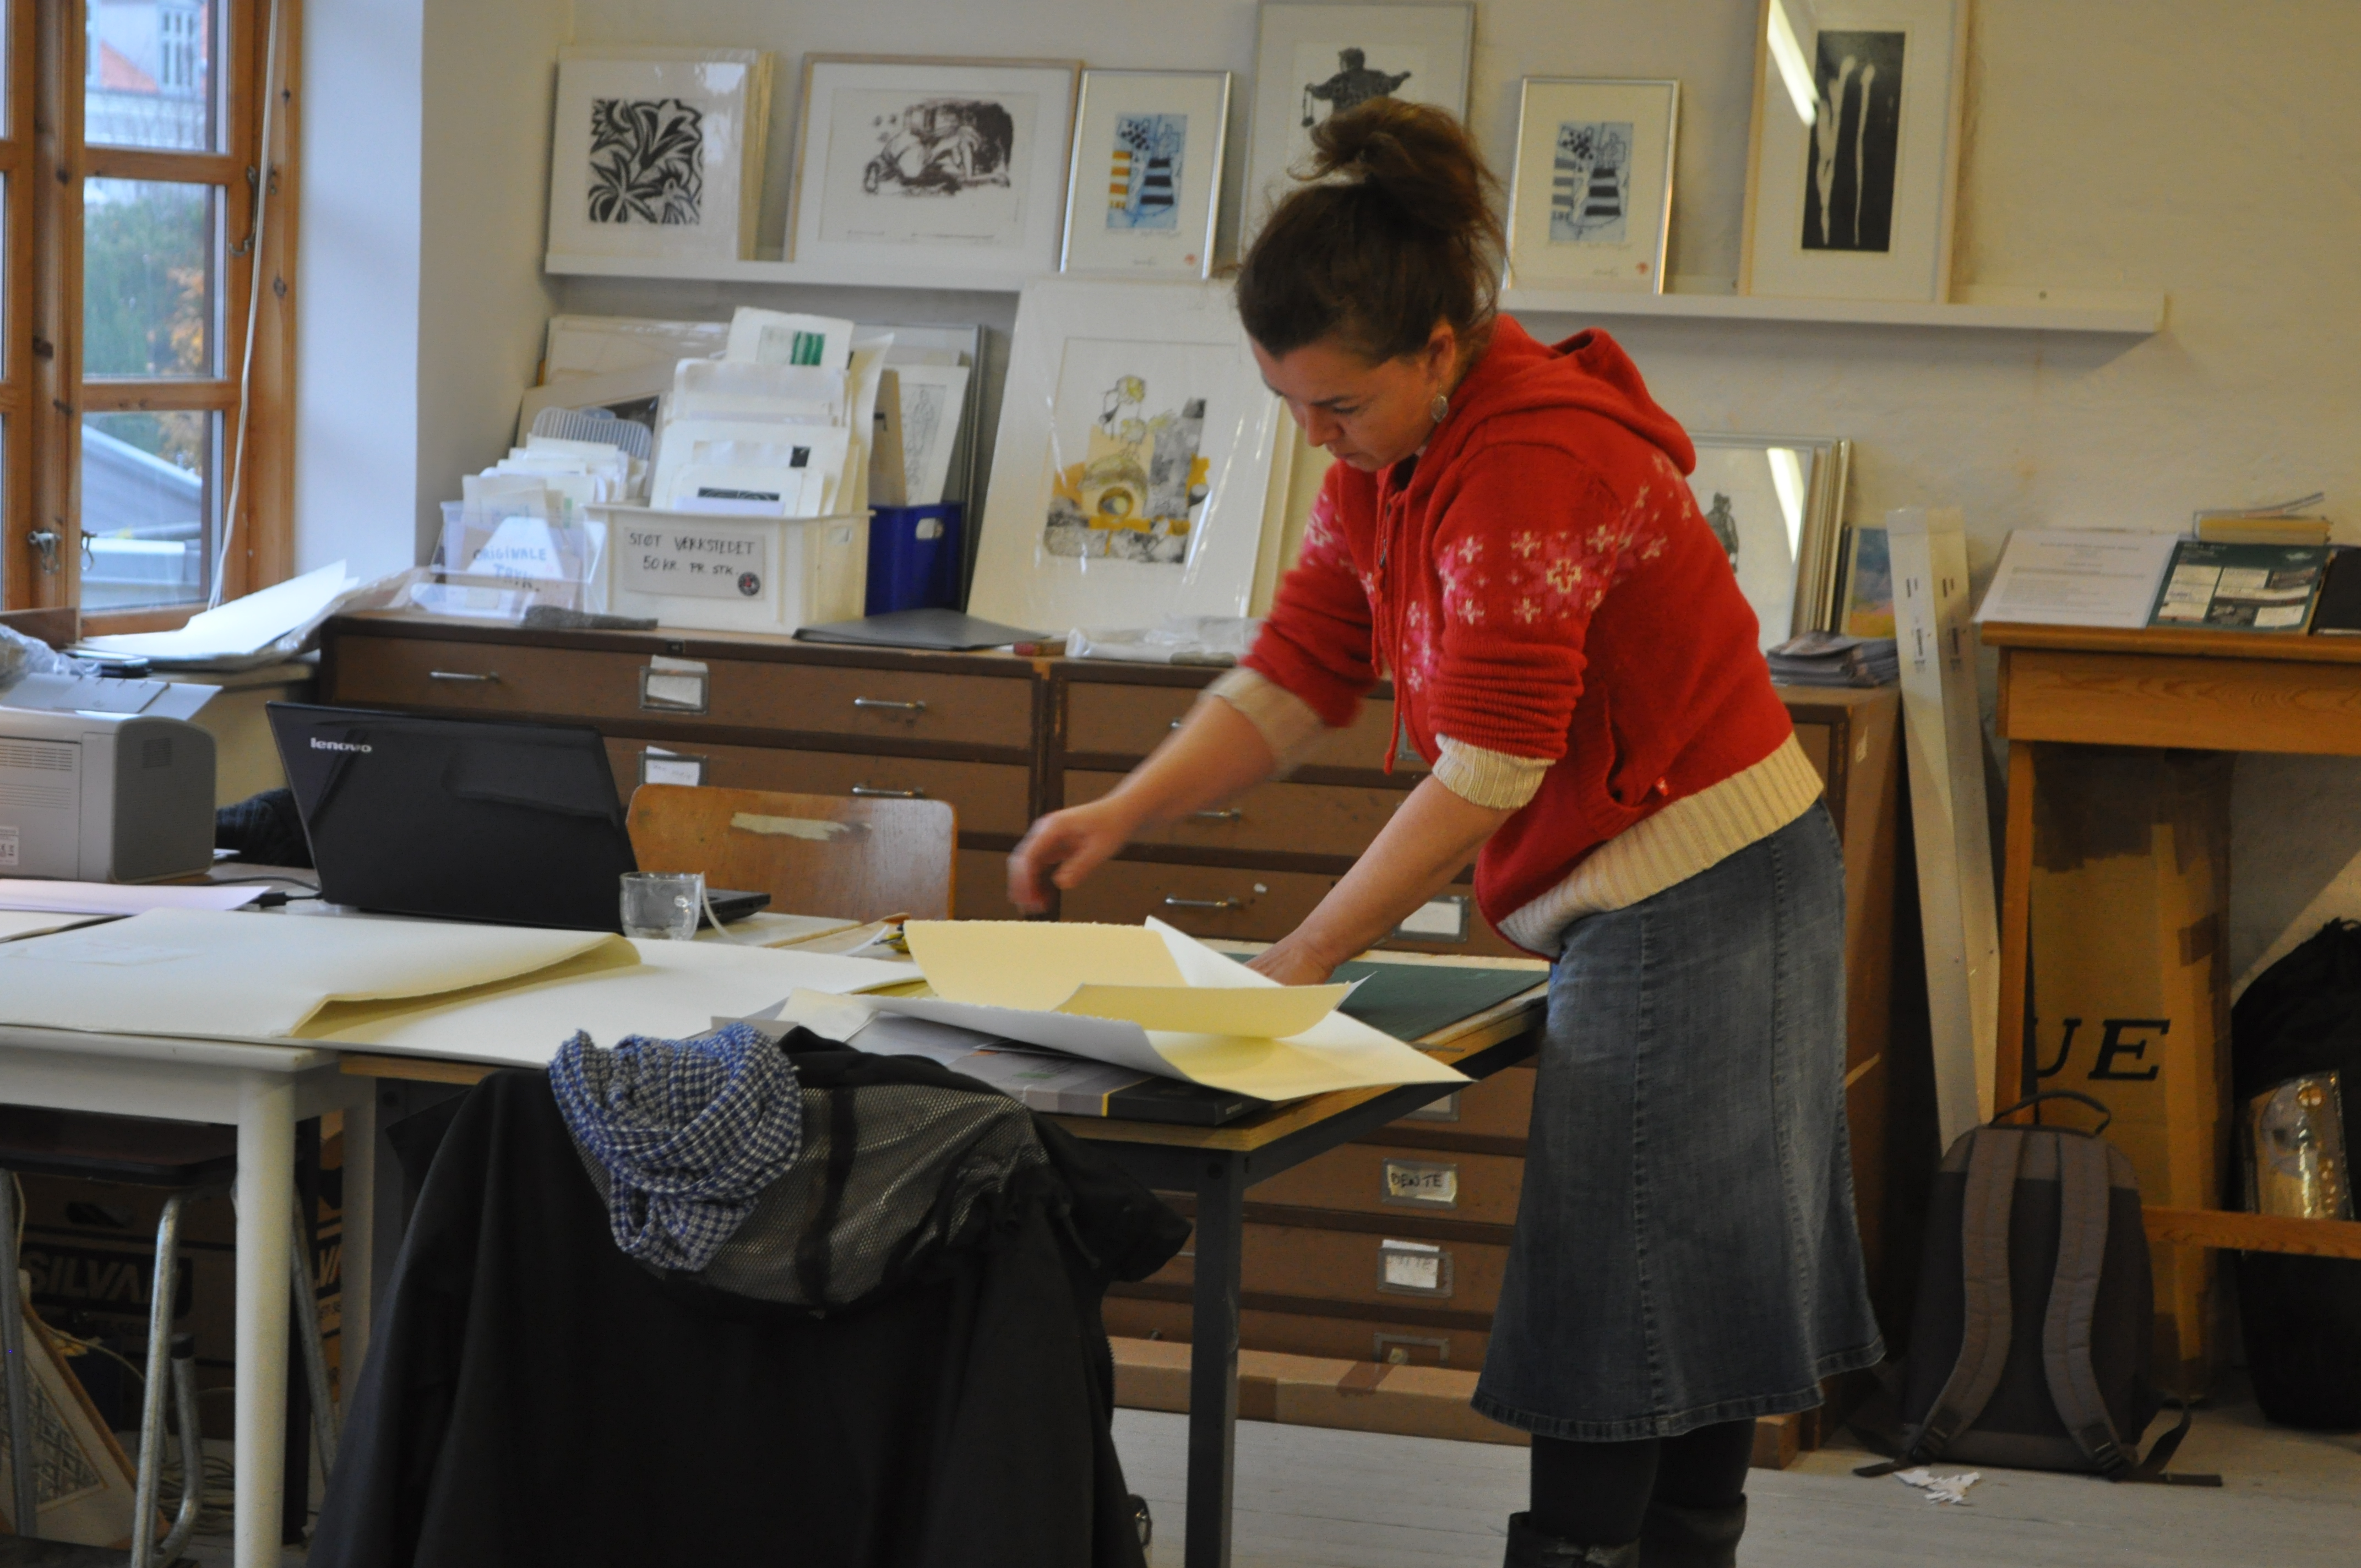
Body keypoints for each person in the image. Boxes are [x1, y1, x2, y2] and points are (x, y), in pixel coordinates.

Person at [1008, 98, 1881, 1568]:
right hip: (1660, 873)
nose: (1314, 439)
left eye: (1338, 407)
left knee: (1631, 1275)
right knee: (1679, 1267)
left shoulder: (1533, 462)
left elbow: (1490, 770)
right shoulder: (1389, 458)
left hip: (1711, 880)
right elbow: (1298, 671)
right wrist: (1123, 807)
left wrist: (1305, 954)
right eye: (1289, 404)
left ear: (1436, 352)